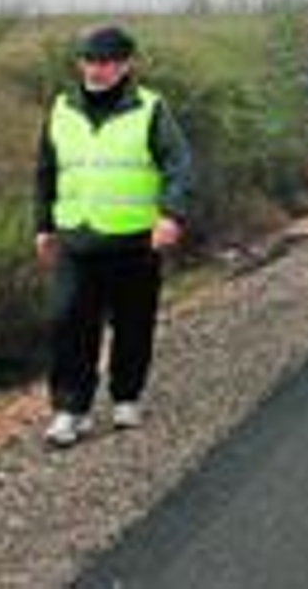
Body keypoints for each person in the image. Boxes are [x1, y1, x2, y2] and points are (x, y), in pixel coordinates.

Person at [35, 25, 193, 447]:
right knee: (68, 321)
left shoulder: (150, 108)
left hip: (134, 238)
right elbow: (46, 172)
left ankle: (126, 396)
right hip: (76, 236)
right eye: (89, 60)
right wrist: (43, 226)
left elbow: (178, 164)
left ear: (126, 65)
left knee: (133, 322)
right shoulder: (61, 108)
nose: (97, 69)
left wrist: (171, 215)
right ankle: (71, 409)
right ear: (79, 63)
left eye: (107, 62)